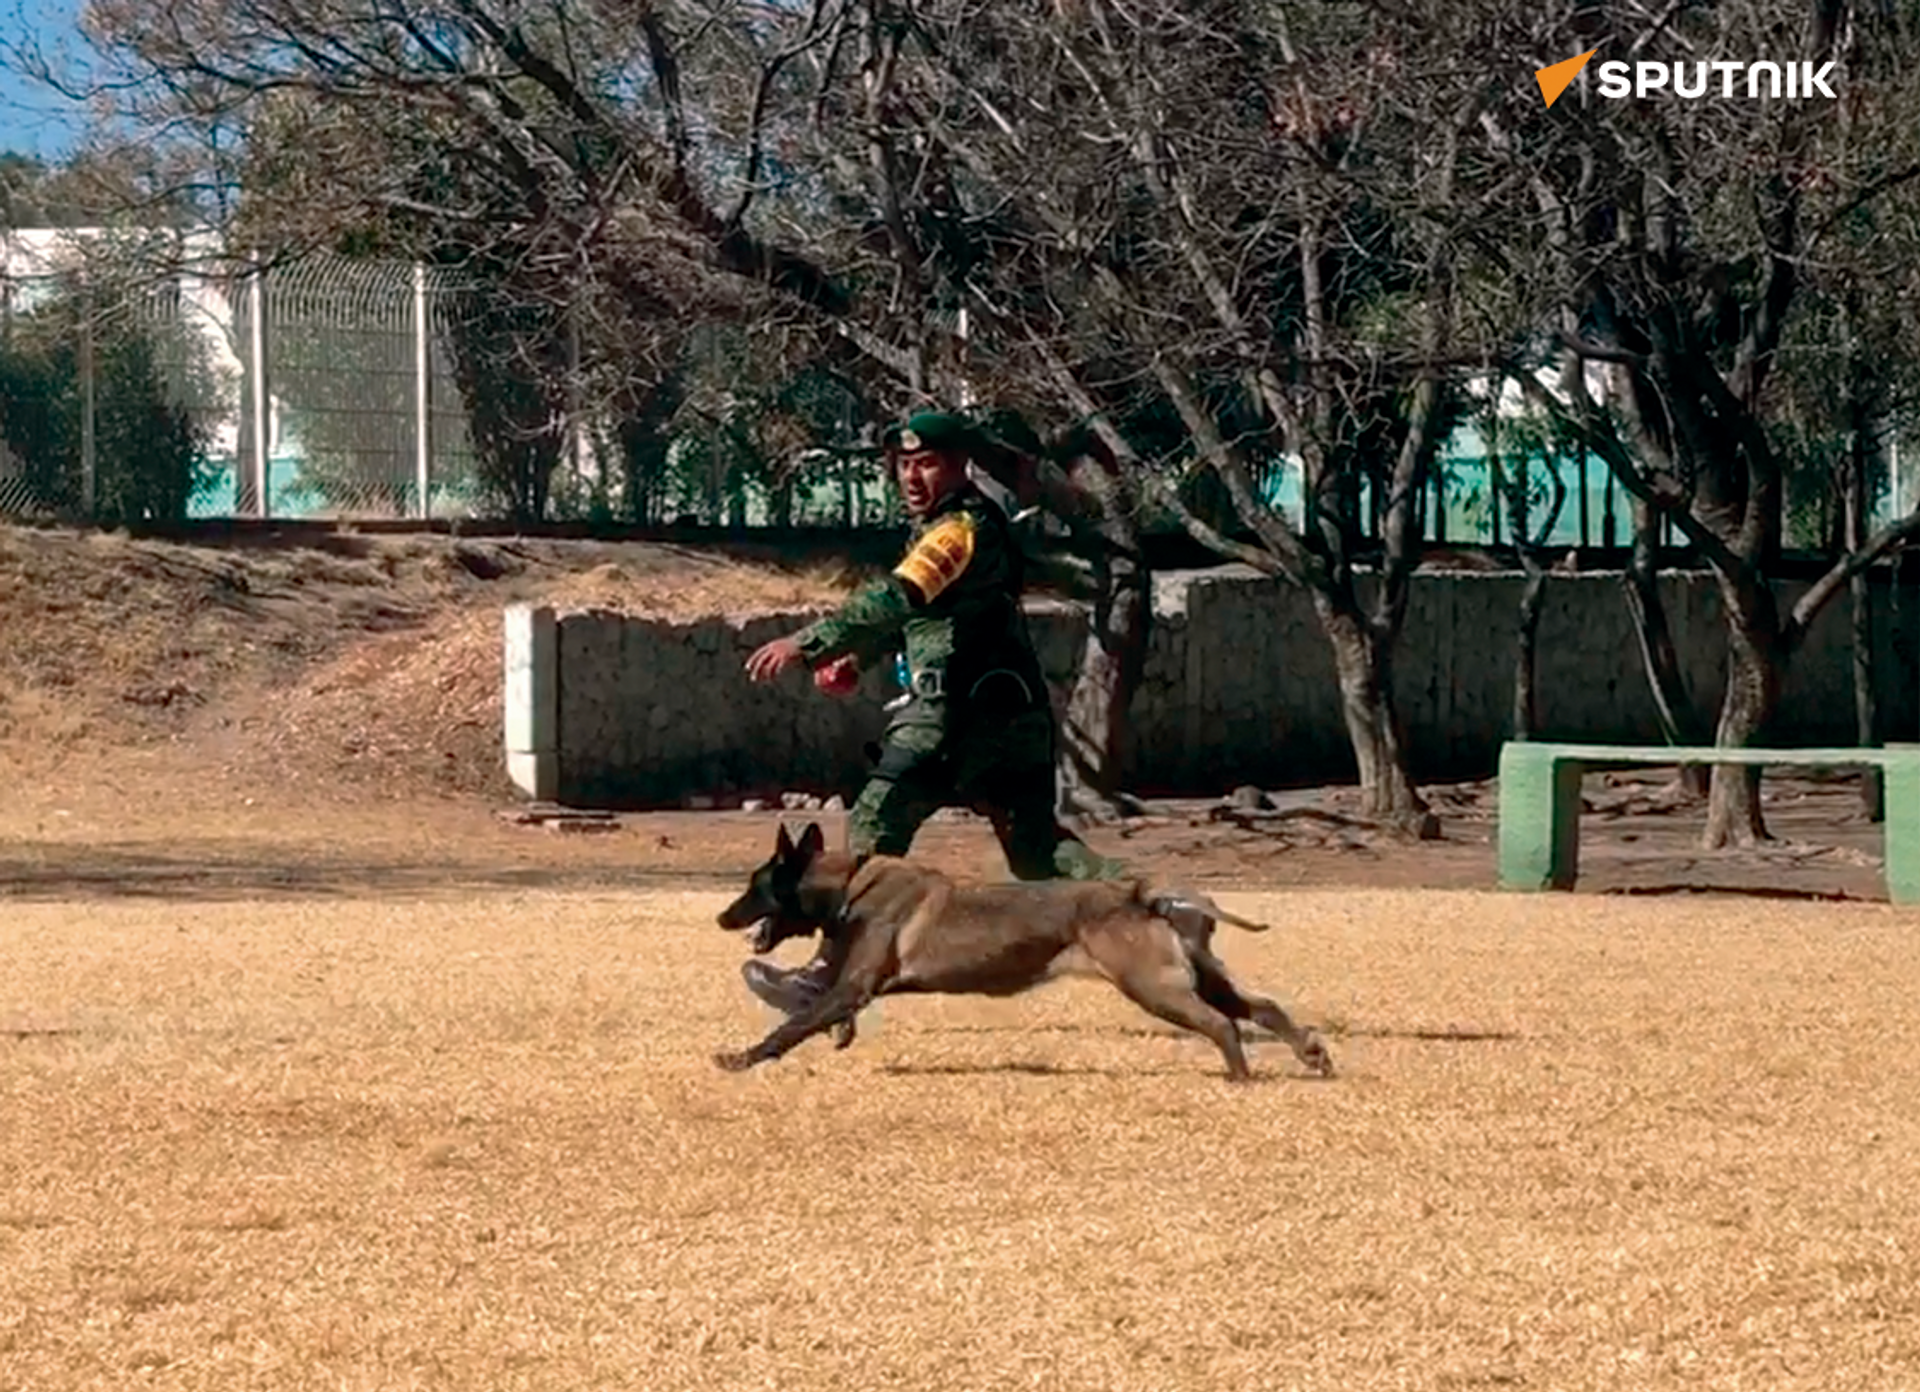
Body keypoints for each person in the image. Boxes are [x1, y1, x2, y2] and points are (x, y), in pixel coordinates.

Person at [739, 409, 1123, 1013]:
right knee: (1040, 853)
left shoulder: (958, 531)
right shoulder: (956, 525)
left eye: (927, 463)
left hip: (956, 717)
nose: (912, 477)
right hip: (1011, 715)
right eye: (904, 464)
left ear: (958, 465)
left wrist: (809, 642)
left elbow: (901, 596)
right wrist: (859, 658)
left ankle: (829, 975)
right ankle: (1154, 908)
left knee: (874, 826)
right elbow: (933, 619)